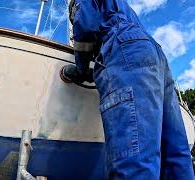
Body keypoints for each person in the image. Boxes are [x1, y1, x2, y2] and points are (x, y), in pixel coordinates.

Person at [60, 0, 194, 179]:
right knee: (175, 157)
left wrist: (82, 68)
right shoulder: (120, 5)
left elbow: (84, 26)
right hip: (154, 53)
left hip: (123, 49)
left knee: (134, 159)